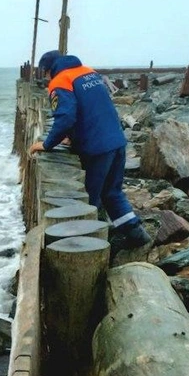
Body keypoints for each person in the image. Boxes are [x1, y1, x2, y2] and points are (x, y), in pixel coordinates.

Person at [29, 50, 151, 253]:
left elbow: (66, 117)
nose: (46, 77)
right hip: (117, 141)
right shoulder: (88, 73)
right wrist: (73, 136)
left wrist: (47, 144)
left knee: (89, 199)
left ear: (48, 70)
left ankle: (90, 248)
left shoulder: (60, 81)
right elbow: (92, 108)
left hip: (97, 149)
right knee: (112, 191)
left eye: (45, 73)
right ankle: (136, 235)